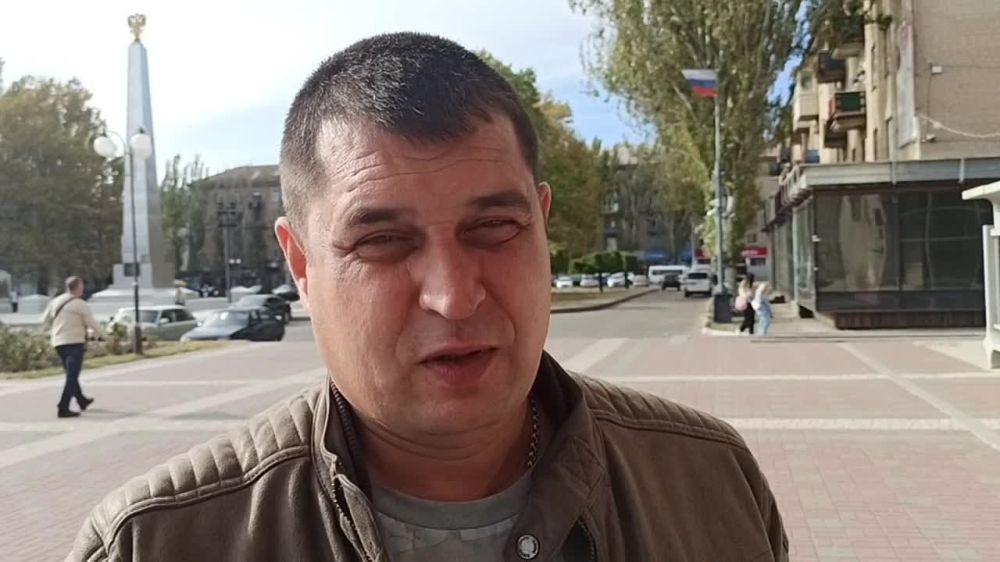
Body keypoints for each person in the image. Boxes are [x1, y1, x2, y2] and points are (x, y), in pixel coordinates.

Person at [69, 33, 787, 561]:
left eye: (494, 228)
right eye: (383, 241)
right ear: (302, 266)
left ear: (541, 226)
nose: (453, 296)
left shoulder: (711, 485)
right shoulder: (153, 543)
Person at [42, 276, 103, 418]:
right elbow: (92, 323)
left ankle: (81, 400)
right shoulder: (79, 304)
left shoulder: (55, 302)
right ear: (78, 287)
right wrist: (105, 336)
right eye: (82, 286)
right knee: (72, 376)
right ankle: (63, 407)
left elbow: (45, 320)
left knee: (71, 374)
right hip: (74, 342)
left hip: (58, 342)